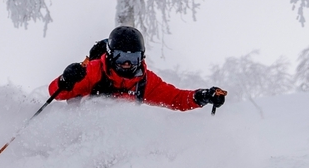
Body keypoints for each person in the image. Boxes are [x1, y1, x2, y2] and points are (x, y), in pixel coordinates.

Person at [48, 26, 226, 112]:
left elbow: (176, 98)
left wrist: (201, 97)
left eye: (133, 58)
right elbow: (56, 93)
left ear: (142, 57)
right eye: (121, 57)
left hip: (118, 136)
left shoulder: (144, 81)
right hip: (80, 129)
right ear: (110, 55)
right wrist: (66, 79)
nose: (127, 64)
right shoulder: (94, 70)